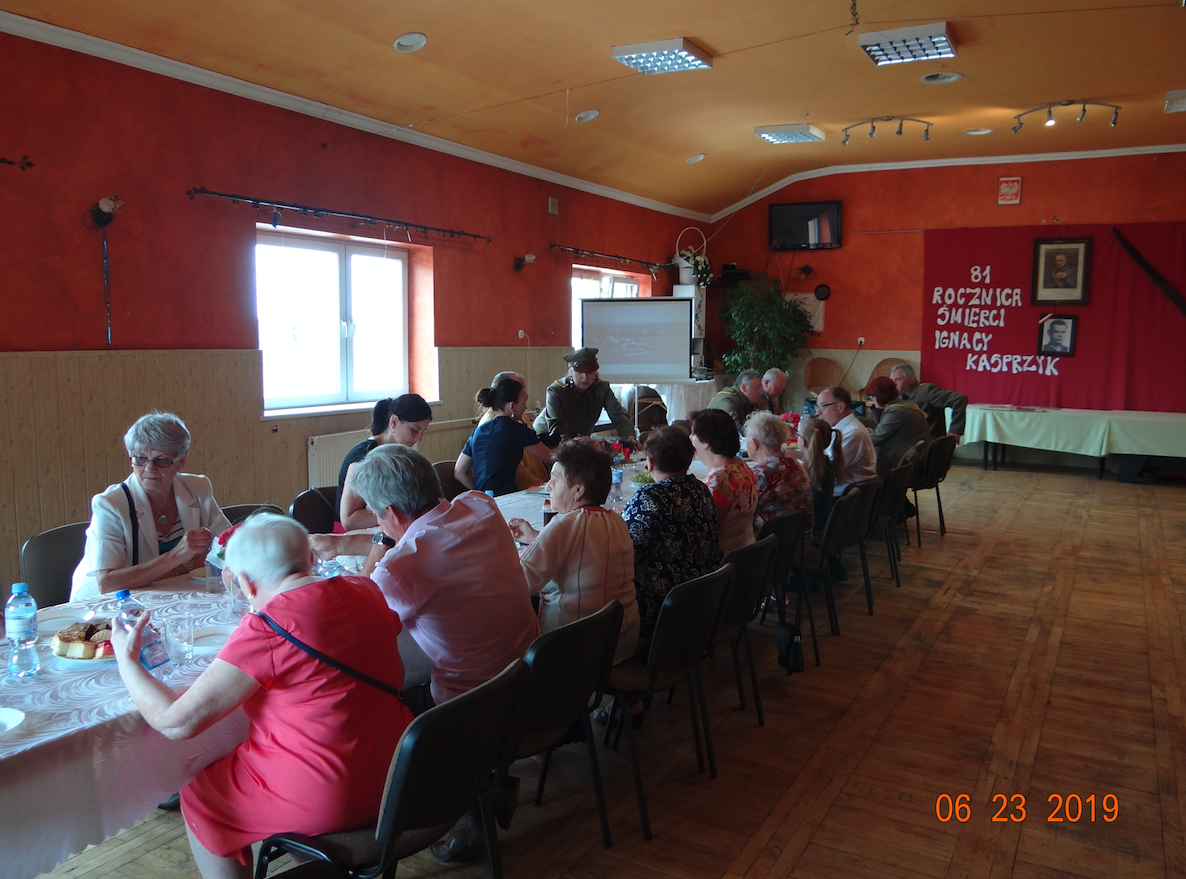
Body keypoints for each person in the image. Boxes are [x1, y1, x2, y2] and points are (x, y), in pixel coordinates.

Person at [111, 514, 413, 879]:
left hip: (333, 794)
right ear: (311, 560)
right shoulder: (365, 589)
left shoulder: (268, 628)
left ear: (247, 584)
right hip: (403, 773)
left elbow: (176, 723)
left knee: (200, 793)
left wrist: (127, 661)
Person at [322, 443, 538, 713]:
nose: (379, 523)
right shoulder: (481, 505)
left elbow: (355, 617)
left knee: (362, 701)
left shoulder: (398, 570)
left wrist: (382, 543)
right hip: (529, 679)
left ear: (391, 513)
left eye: (378, 516)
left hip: (471, 709)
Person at [72, 411, 231, 600]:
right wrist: (178, 557)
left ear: (181, 462)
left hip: (169, 592)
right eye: (140, 459)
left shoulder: (198, 488)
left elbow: (229, 546)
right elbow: (107, 583)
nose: (149, 469)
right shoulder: (111, 504)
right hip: (105, 604)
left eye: (161, 460)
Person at [507, 440, 640, 665]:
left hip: (578, 652)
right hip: (621, 642)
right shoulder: (616, 520)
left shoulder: (565, 523)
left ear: (578, 491)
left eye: (555, 480)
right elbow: (583, 549)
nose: (548, 485)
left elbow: (520, 581)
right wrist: (535, 537)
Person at [621, 426, 722, 640]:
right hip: (703, 597)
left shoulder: (649, 498)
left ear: (649, 462)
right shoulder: (701, 489)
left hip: (661, 606)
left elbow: (626, 557)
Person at [338, 394, 433, 529]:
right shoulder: (363, 458)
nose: (419, 438)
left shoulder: (400, 454)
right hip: (351, 533)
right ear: (393, 422)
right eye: (414, 430)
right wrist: (404, 513)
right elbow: (349, 520)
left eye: (423, 431)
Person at [456, 377, 552, 496]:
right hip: (505, 498)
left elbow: (459, 471)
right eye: (524, 402)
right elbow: (551, 457)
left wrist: (481, 493)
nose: (525, 407)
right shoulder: (517, 430)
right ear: (512, 406)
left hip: (482, 501)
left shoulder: (479, 431)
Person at [689, 408, 758, 555]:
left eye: (693, 433)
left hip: (725, 563)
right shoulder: (741, 465)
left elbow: (703, 534)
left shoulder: (718, 480)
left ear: (706, 442)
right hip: (747, 554)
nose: (690, 438)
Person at [532, 347, 636, 443]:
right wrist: (570, 444)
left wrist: (630, 437)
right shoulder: (556, 390)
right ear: (571, 372)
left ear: (595, 373)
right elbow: (557, 428)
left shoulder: (602, 388)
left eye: (590, 372)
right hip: (548, 438)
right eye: (580, 372)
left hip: (579, 440)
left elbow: (618, 414)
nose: (585, 377)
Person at [744, 410, 813, 536]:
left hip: (769, 548)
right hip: (800, 542)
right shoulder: (794, 462)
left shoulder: (760, 474)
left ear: (755, 443)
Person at [480, 370, 548, 490]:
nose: (525, 393)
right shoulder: (511, 427)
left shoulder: (515, 417)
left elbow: (460, 471)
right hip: (520, 493)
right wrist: (543, 487)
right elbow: (520, 474)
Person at [865, 376, 933, 478]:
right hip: (916, 460)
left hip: (904, 467)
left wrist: (860, 436)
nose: (872, 401)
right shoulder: (903, 405)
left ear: (879, 396)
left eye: (872, 397)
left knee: (859, 469)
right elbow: (886, 432)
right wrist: (873, 432)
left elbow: (877, 439)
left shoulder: (896, 411)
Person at [814, 386, 877, 496]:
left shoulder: (852, 434)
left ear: (840, 407)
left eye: (822, 406)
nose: (818, 412)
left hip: (847, 499)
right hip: (846, 493)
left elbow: (826, 473)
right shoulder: (842, 429)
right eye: (817, 407)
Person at [889, 363, 969, 439]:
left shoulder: (926, 392)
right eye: (892, 380)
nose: (894, 384)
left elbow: (959, 398)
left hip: (929, 446)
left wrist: (955, 431)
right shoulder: (899, 397)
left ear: (911, 380)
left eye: (897, 379)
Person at [798, 416, 843, 535]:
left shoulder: (803, 469)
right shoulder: (829, 463)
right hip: (823, 526)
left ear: (803, 442)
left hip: (808, 530)